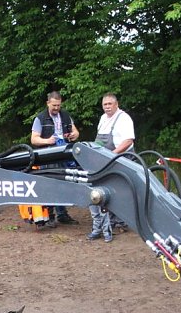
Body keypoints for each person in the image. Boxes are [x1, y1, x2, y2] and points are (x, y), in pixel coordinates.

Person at [88, 93, 135, 242]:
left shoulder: (124, 118)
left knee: (120, 190)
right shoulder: (103, 119)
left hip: (122, 158)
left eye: (110, 104)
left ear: (116, 104)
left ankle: (121, 220)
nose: (107, 107)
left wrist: (112, 154)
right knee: (104, 188)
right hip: (105, 159)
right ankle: (108, 222)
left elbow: (128, 141)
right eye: (105, 104)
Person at [29, 91, 80, 226]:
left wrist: (73, 135)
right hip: (48, 156)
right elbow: (34, 140)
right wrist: (47, 141)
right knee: (49, 185)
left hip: (64, 154)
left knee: (64, 184)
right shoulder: (40, 118)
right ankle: (50, 216)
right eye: (54, 105)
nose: (56, 108)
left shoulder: (66, 115)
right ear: (48, 103)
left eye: (58, 105)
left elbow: (76, 132)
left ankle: (62, 214)